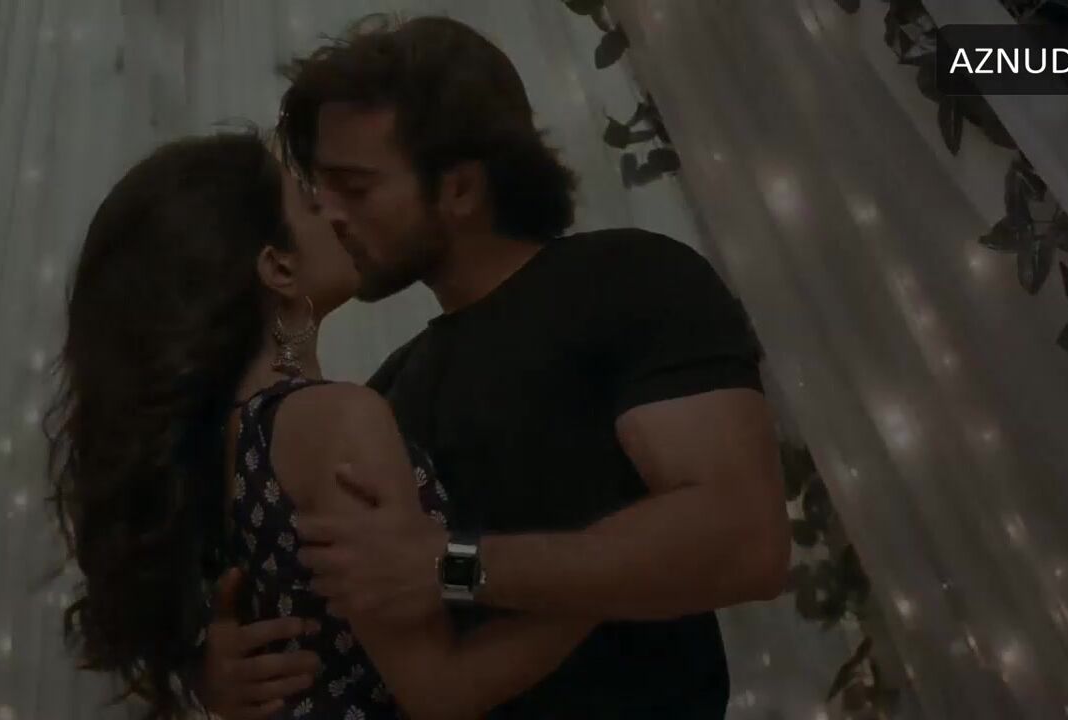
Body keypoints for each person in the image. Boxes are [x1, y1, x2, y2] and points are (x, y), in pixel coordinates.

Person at [206, 15, 791, 719]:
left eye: (353, 187)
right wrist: (233, 667)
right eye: (317, 188)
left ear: (459, 189)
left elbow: (745, 540)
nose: (326, 214)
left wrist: (454, 564)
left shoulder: (627, 281)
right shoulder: (391, 387)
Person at [48, 132, 601, 720]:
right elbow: (440, 685)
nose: (337, 214)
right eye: (312, 204)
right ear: (278, 267)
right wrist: (598, 586)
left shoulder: (212, 449)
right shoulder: (336, 421)